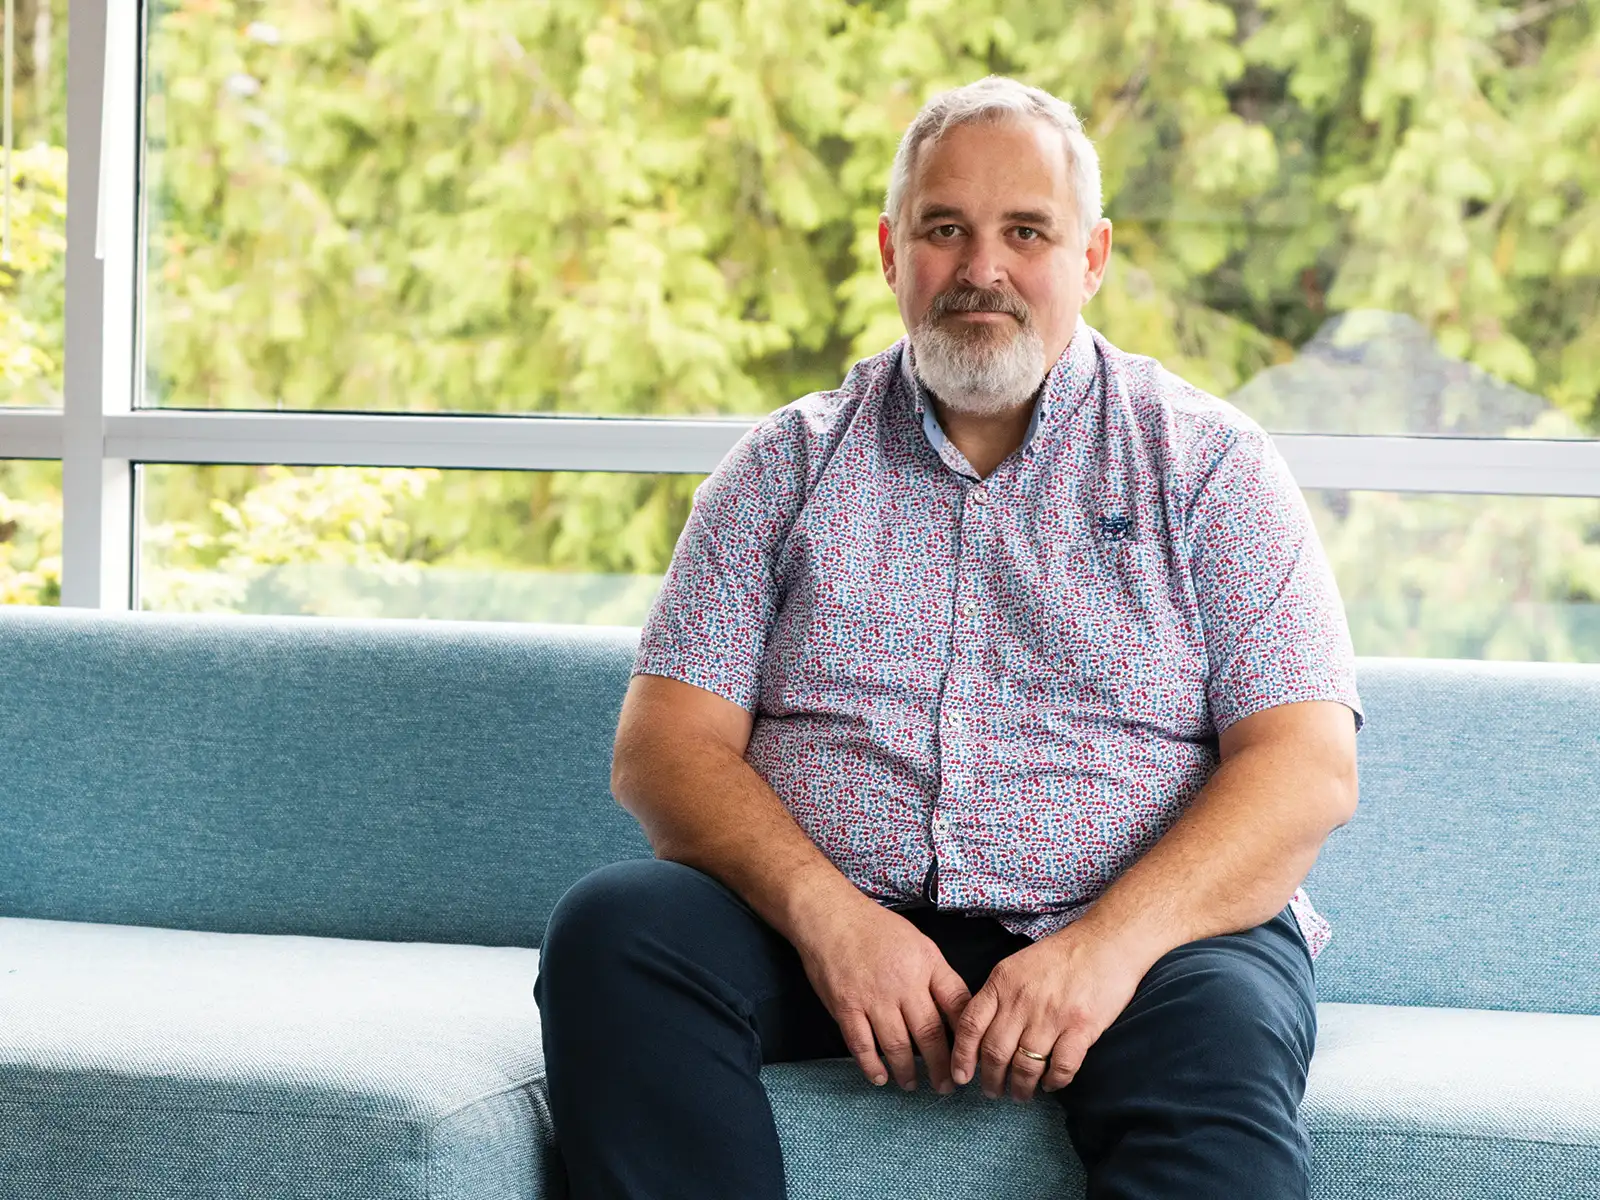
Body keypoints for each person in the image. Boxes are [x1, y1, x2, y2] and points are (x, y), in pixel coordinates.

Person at [534, 74, 1363, 1200]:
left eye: (1026, 231)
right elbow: (664, 745)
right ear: (890, 252)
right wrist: (831, 919)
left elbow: (1304, 769)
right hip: (829, 927)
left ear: (1092, 257)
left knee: (1222, 1036)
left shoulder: (1210, 467)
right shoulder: (781, 469)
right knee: (616, 934)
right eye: (944, 230)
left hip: (1150, 942)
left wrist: (1101, 950)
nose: (982, 269)